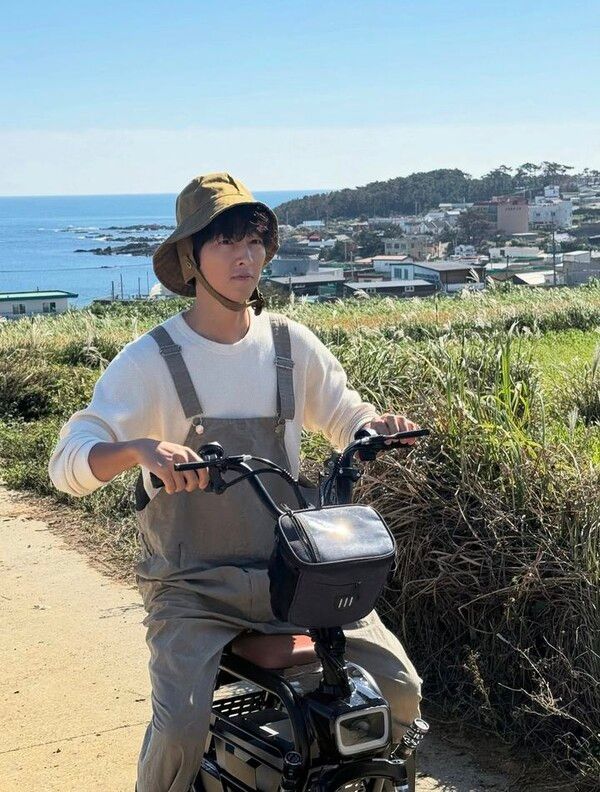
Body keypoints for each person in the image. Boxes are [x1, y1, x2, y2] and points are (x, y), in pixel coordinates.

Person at [48, 172, 422, 792]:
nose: (244, 256)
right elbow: (67, 463)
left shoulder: (290, 345)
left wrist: (373, 427)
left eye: (253, 240)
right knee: (181, 729)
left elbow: (344, 414)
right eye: (224, 242)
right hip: (192, 587)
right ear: (190, 258)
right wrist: (140, 449)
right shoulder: (151, 359)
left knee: (400, 692)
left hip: (293, 574)